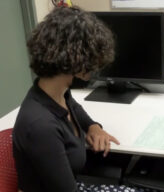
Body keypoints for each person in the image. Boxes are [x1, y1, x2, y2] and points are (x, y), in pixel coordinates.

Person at [13, 6, 140, 192]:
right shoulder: (41, 126)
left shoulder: (56, 92)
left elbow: (75, 108)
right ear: (75, 59)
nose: (96, 65)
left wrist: (93, 127)